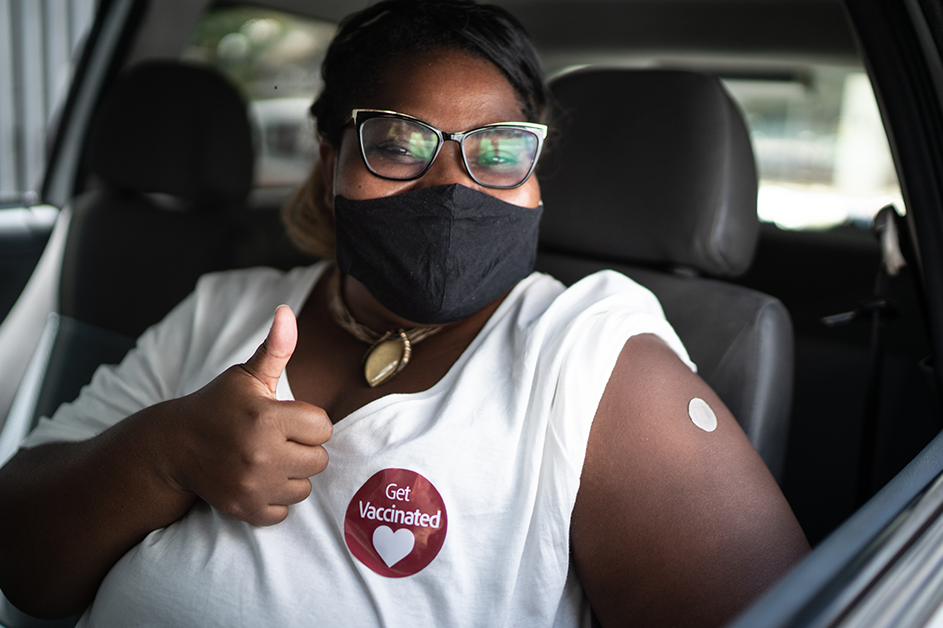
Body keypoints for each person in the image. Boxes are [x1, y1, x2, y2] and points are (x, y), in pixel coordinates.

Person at [0, 1, 809, 626]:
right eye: (397, 142)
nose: (450, 187)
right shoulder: (230, 305)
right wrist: (166, 453)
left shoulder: (587, 357)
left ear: (532, 178)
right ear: (331, 164)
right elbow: (21, 554)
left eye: (495, 151)